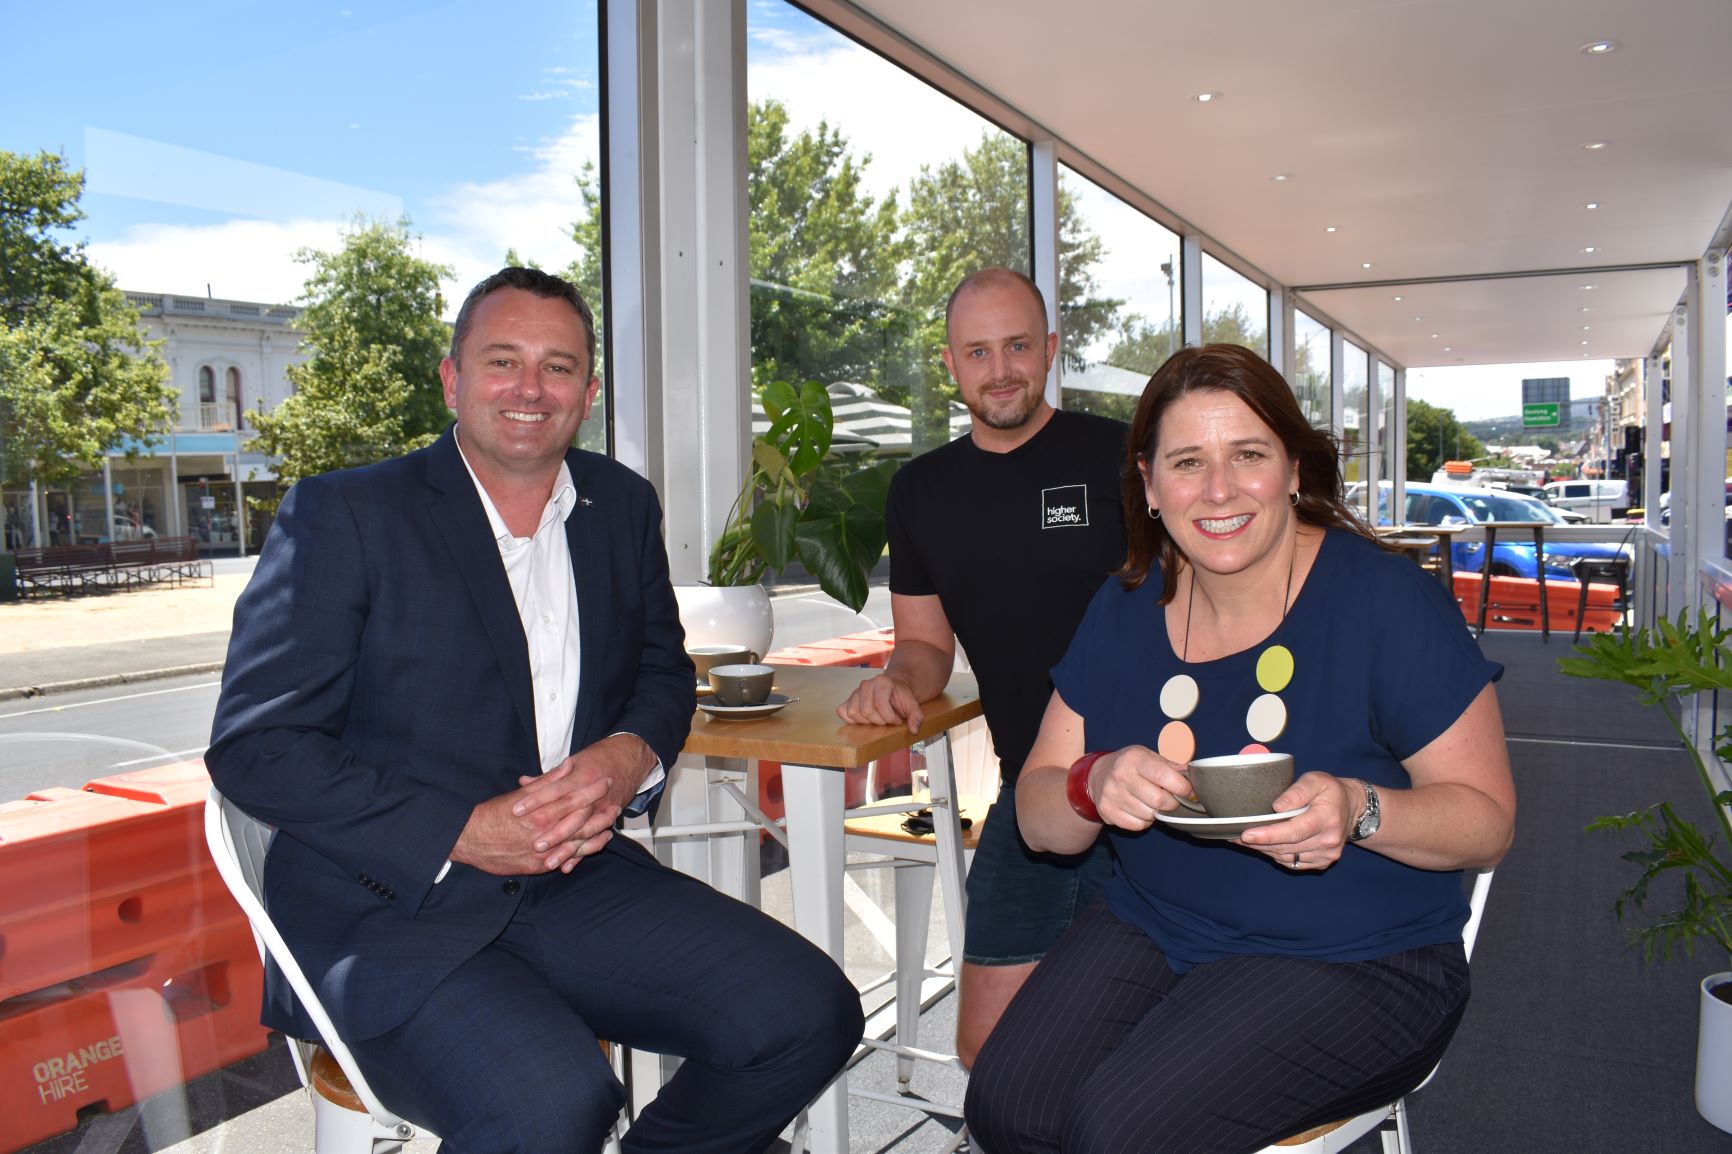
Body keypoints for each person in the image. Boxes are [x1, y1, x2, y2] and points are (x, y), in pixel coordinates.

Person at [207, 267, 862, 1154]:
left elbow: (664, 672)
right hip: (388, 905)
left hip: (571, 881)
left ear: (587, 394)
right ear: (452, 378)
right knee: (552, 1106)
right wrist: (459, 831)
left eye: (558, 368)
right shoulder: (348, 513)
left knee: (808, 1012)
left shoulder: (619, 505)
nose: (529, 388)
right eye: (502, 360)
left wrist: (629, 753)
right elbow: (257, 747)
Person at [963, 343, 1516, 1154]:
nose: (1218, 490)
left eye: (1248, 455)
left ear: (1292, 467)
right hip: (1158, 922)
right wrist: (1093, 782)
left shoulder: (1384, 602)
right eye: (1188, 462)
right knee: (1007, 1108)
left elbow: (1488, 822)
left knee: (1118, 1132)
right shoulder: (1124, 608)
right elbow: (1043, 816)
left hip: (1362, 957)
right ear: (1148, 486)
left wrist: (1359, 811)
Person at [836, 267, 1125, 1067]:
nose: (1001, 370)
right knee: (986, 1054)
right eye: (979, 351)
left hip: (1153, 801)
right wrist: (900, 681)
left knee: (1128, 1037)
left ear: (1052, 351)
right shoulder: (922, 490)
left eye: (1019, 346)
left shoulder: (1126, 459)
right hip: (1032, 796)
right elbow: (927, 643)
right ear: (950, 365)